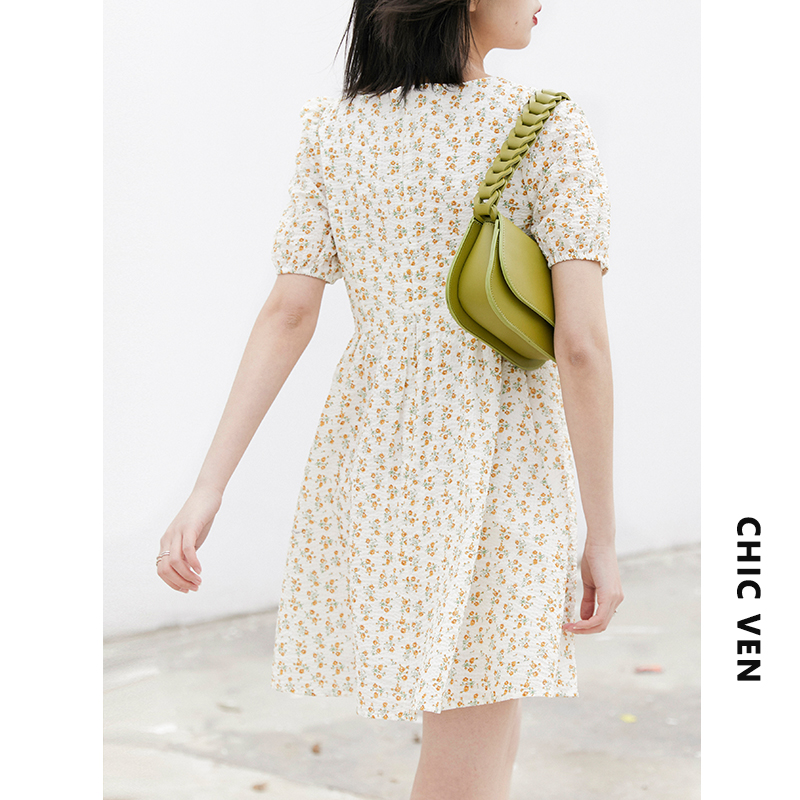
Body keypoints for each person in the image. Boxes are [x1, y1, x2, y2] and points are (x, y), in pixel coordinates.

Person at [156, 1, 623, 797]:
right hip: (493, 459)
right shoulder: (548, 127)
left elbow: (288, 313)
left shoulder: (334, 131)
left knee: (476, 743)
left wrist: (209, 487)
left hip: (374, 460)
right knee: (470, 759)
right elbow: (580, 346)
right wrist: (602, 536)